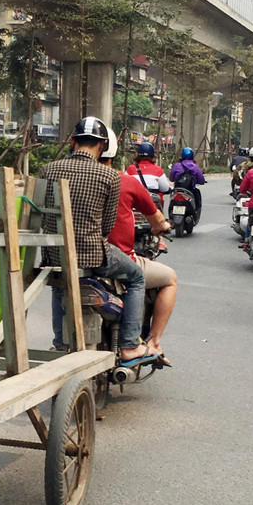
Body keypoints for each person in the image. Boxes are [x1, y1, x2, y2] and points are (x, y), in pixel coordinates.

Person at [41, 117, 152, 364]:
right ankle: (130, 345)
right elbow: (107, 226)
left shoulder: (48, 170)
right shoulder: (109, 176)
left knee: (60, 282)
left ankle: (60, 345)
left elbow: (42, 213)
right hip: (93, 256)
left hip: (56, 254)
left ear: (72, 142)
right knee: (137, 277)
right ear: (101, 146)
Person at [100, 128, 176, 365]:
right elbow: (158, 215)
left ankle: (61, 344)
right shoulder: (124, 179)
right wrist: (162, 226)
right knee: (168, 278)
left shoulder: (130, 171)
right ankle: (149, 342)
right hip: (114, 257)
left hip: (77, 256)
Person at [168, 147, 206, 218]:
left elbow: (171, 178)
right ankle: (195, 215)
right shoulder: (195, 167)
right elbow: (201, 180)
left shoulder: (176, 166)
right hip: (190, 191)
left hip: (177, 190)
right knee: (197, 198)